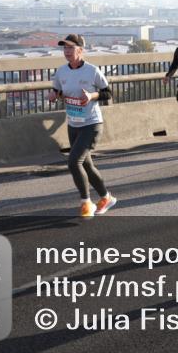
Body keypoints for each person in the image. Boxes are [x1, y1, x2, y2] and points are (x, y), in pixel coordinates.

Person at [50, 34, 117, 217]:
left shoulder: (92, 71)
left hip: (92, 124)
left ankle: (86, 202)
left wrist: (91, 96)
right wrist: (54, 94)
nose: (67, 52)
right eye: (64, 48)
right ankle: (106, 197)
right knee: (86, 165)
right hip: (73, 123)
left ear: (80, 50)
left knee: (74, 162)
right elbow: (58, 88)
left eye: (70, 48)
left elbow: (108, 93)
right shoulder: (61, 71)